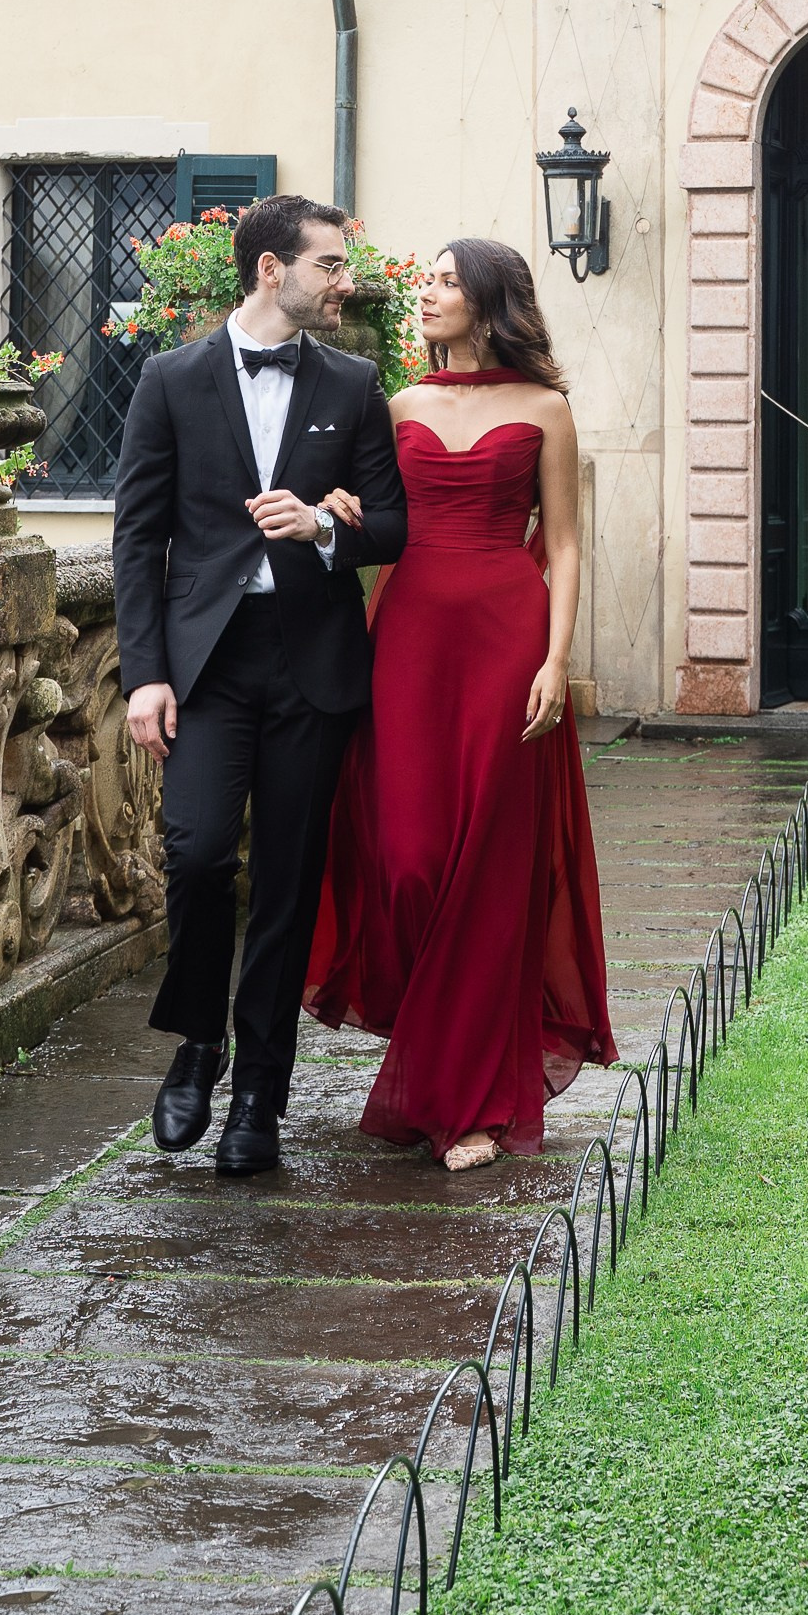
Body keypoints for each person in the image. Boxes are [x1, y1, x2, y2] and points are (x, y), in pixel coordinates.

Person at [112, 193, 407, 1175]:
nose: (343, 281)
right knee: (196, 856)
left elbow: (393, 528)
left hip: (311, 664)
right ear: (270, 269)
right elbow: (136, 540)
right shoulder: (170, 379)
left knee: (286, 883)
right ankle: (199, 1042)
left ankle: (260, 1105)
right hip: (208, 664)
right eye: (328, 263)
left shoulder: (356, 382)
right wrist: (145, 676)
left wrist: (325, 529)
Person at [307, 236, 615, 1171]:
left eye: (443, 281)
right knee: (404, 858)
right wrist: (340, 506)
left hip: (507, 641)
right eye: (429, 280)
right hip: (407, 642)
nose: (427, 293)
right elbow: (380, 520)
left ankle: (473, 1103)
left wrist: (555, 662)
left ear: (487, 303)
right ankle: (438, 1049)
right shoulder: (397, 403)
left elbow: (561, 547)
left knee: (487, 864)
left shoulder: (546, 410)